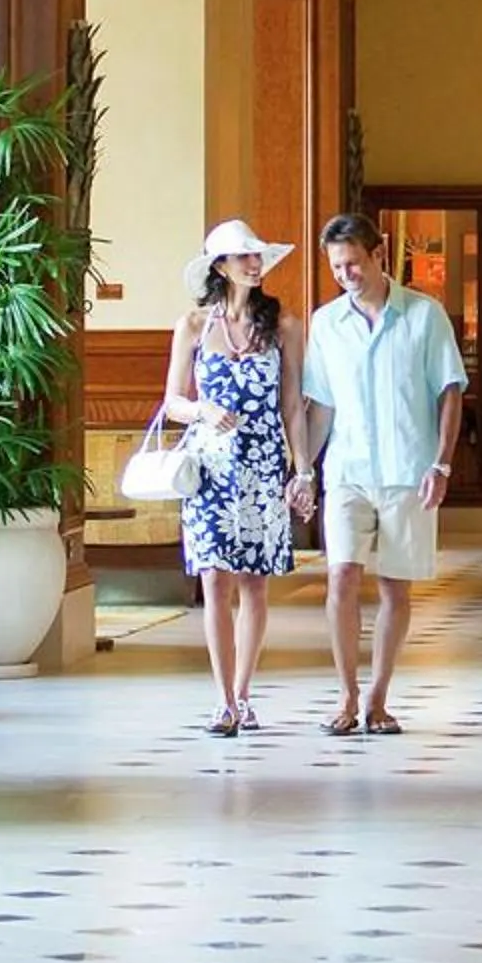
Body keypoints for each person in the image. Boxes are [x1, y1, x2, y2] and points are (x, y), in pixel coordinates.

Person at [297, 211, 467, 738]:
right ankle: (346, 696)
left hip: (408, 471)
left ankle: (378, 698)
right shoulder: (326, 324)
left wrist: (442, 462)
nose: (345, 274)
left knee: (395, 587)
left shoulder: (424, 315)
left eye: (352, 263)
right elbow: (319, 406)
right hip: (346, 470)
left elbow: (450, 391)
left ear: (380, 253)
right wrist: (304, 471)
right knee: (341, 575)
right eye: (336, 267)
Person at [164, 218, 306, 737]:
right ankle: (222, 699)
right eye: (243, 256)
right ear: (220, 267)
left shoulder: (284, 326)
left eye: (257, 256)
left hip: (263, 463)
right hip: (210, 467)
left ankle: (245, 695)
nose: (254, 263)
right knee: (214, 579)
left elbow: (292, 403)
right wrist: (203, 412)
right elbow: (172, 402)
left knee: (254, 582)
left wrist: (303, 468)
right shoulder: (194, 327)